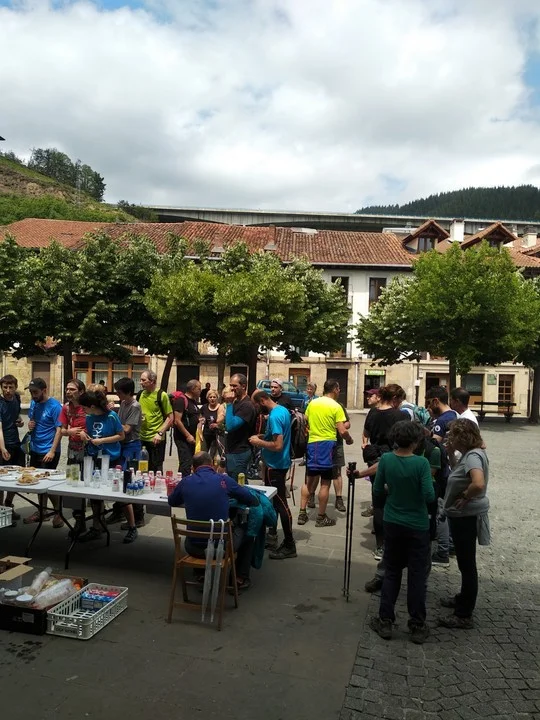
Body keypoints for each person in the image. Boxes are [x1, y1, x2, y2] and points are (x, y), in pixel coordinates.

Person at [369, 421, 435, 644]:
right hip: (417, 524)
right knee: (417, 575)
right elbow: (429, 495)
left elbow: (377, 490)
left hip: (393, 520)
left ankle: (385, 620)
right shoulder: (422, 463)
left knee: (392, 571)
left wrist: (392, 491)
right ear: (416, 441)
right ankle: (417, 624)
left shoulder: (387, 460)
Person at [168, 451, 260, 592]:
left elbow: (172, 501)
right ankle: (239, 577)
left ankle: (201, 574)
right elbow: (251, 500)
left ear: (193, 468)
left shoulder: (186, 482)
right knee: (247, 529)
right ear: (212, 465)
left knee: (198, 529)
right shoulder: (223, 480)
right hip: (221, 549)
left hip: (193, 548)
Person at [438, 419, 490, 629]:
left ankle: (464, 614)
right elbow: (457, 472)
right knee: (464, 562)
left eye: (453, 435)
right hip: (463, 515)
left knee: (467, 565)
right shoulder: (470, 454)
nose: (450, 438)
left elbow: (478, 483)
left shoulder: (473, 457)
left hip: (466, 516)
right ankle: (462, 599)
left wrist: (466, 496)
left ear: (463, 437)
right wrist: (451, 454)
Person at [362, 384, 411, 558]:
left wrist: (366, 446)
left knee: (379, 503)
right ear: (395, 399)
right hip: (395, 460)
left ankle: (380, 545)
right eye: (400, 400)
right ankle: (394, 542)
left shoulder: (372, 412)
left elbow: (366, 434)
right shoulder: (401, 415)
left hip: (374, 460)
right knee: (395, 501)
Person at [297, 378, 353, 528]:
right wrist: (349, 439)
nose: (339, 391)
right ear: (334, 389)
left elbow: (305, 420)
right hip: (328, 446)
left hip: (312, 444)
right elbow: (342, 430)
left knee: (308, 481)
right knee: (325, 483)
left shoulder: (313, 403)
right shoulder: (336, 406)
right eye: (338, 389)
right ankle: (321, 517)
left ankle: (302, 513)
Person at [250, 390, 296, 560]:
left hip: (275, 466)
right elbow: (278, 436)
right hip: (279, 463)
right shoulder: (281, 410)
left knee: (281, 504)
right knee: (275, 503)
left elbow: (277, 445)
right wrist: (264, 436)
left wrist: (259, 442)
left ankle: (289, 544)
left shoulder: (275, 416)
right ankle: (272, 536)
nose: (257, 409)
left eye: (257, 405)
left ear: (262, 400)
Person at [77, 389, 125, 543]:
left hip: (110, 458)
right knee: (94, 493)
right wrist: (84, 435)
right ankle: (97, 525)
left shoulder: (111, 416)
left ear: (92, 406)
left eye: (84, 407)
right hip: (94, 457)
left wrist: (102, 440)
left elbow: (121, 435)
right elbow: (88, 431)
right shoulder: (89, 417)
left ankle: (120, 521)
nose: (83, 410)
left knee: (109, 490)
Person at [106, 377, 143, 542]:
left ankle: (137, 517)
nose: (117, 395)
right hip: (122, 445)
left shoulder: (135, 406)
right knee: (118, 478)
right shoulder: (123, 403)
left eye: (119, 392)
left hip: (131, 445)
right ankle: (120, 511)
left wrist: (112, 420)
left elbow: (127, 428)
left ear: (128, 392)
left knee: (130, 480)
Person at [23, 378, 64, 528]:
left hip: (48, 450)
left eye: (35, 392)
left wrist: (52, 451)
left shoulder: (55, 406)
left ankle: (58, 512)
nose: (33, 395)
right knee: (38, 483)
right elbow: (33, 421)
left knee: (48, 484)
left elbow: (59, 430)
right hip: (35, 448)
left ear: (44, 390)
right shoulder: (34, 403)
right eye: (31, 392)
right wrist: (30, 424)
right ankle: (42, 511)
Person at [425, 385, 458, 567]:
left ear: (436, 401)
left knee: (440, 511)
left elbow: (433, 445)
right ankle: (450, 544)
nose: (428, 407)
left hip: (441, 471)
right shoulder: (453, 415)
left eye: (430, 403)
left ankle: (443, 551)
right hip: (448, 469)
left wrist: (425, 435)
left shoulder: (442, 420)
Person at [0, 375, 25, 521]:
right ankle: (2, 512)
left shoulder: (17, 398)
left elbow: (16, 416)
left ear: (15, 388)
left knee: (17, 476)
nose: (8, 390)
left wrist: (20, 421)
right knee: (2, 480)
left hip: (16, 442)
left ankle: (8, 505)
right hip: (3, 444)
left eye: (11, 387)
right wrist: (3, 448)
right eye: (5, 387)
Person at [138, 370, 173, 473]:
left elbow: (170, 417)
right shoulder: (140, 394)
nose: (140, 382)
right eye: (140, 380)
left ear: (152, 381)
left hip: (156, 439)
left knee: (155, 469)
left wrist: (160, 433)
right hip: (142, 437)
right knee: (142, 468)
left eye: (143, 380)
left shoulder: (161, 395)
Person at [224, 374, 257, 481]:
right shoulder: (237, 402)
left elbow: (230, 426)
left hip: (240, 452)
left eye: (235, 386)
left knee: (238, 483)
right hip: (232, 450)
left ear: (243, 386)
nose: (232, 388)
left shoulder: (247, 405)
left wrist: (229, 404)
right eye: (231, 385)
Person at [173, 379, 202, 477]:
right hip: (183, 439)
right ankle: (183, 482)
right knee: (185, 463)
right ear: (193, 389)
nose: (200, 391)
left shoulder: (193, 402)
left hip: (192, 439)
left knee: (189, 463)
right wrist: (188, 435)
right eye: (199, 389)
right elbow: (177, 421)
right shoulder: (181, 400)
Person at [200, 389, 222, 460]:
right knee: (203, 454)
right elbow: (200, 417)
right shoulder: (204, 407)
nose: (212, 399)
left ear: (217, 398)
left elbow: (223, 421)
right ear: (207, 398)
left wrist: (217, 425)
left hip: (216, 435)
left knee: (212, 456)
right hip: (206, 434)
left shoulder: (220, 407)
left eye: (214, 397)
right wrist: (202, 420)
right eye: (210, 397)